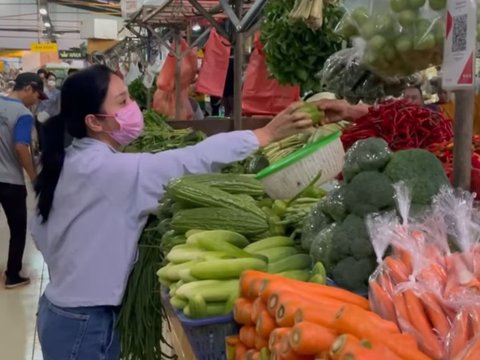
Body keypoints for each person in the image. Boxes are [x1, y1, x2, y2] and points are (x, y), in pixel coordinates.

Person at [31, 65, 313, 359]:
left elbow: (39, 233)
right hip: (85, 324)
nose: (134, 108)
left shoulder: (72, 159)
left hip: (65, 312)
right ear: (94, 121)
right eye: (123, 101)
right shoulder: (109, 170)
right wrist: (262, 135)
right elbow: (190, 160)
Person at [0, 72, 46, 288]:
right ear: (28, 88)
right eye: (37, 94)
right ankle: (12, 276)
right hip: (10, 181)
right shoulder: (23, 114)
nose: (37, 100)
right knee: (18, 229)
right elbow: (21, 147)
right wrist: (34, 177)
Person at [36, 72, 61, 151]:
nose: (52, 81)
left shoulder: (58, 93)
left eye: (54, 80)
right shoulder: (40, 91)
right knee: (41, 138)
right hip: (40, 117)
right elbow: (35, 104)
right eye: (50, 79)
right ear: (46, 80)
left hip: (51, 118)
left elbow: (58, 106)